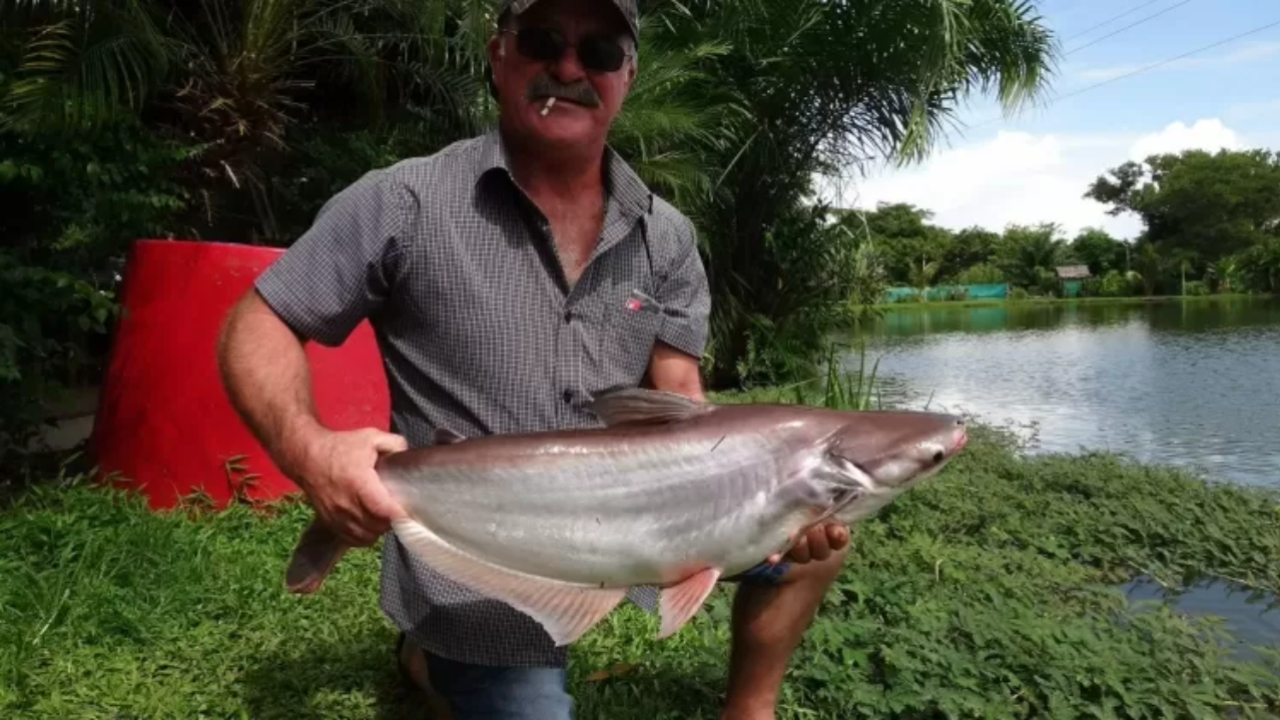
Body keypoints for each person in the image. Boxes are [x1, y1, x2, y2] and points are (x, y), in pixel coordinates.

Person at [215, 0, 851, 717]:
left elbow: (682, 398)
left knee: (819, 531)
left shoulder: (667, 239)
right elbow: (258, 321)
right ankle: (428, 655)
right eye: (544, 41)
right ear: (499, 54)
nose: (571, 68)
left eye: (601, 53)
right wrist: (311, 452)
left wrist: (758, 508)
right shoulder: (405, 202)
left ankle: (749, 710)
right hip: (479, 555)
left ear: (628, 76)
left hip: (632, 525)